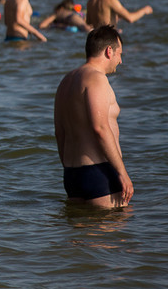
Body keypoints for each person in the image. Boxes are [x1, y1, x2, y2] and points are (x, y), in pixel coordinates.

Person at [54, 25, 133, 208]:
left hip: (72, 175)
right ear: (109, 51)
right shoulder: (97, 79)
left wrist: (70, 169)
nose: (120, 61)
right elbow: (100, 128)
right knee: (116, 232)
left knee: (81, 234)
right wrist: (122, 172)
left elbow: (59, 132)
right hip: (99, 172)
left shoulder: (65, 82)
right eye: (120, 54)